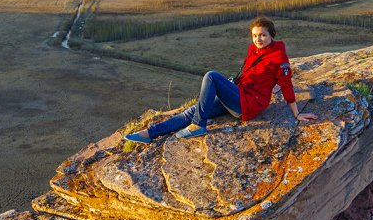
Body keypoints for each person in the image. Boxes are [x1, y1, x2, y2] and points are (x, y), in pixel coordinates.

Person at [124, 16, 317, 143]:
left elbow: (286, 83)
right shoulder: (254, 50)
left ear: (271, 35)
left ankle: (199, 126)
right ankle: (150, 134)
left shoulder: (279, 57)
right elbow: (258, 74)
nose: (258, 39)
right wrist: (270, 86)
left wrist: (297, 113)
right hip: (238, 93)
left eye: (263, 35)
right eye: (255, 36)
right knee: (193, 110)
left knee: (212, 76)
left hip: (248, 105)